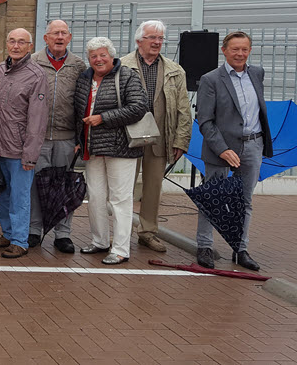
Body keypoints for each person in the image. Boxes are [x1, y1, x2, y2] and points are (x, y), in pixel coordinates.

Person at [194, 31, 272, 271]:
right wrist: (223, 149)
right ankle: (205, 246)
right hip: (222, 148)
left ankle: (240, 249)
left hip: (253, 144)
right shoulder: (210, 79)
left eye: (245, 49)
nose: (240, 54)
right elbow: (205, 120)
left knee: (244, 201)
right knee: (212, 198)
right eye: (235, 49)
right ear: (224, 50)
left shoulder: (256, 73)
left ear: (250, 51)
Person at [73, 37, 148, 265]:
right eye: (93, 56)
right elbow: (78, 112)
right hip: (93, 147)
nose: (98, 59)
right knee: (95, 196)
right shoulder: (85, 78)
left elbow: (138, 107)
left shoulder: (126, 76)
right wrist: (79, 139)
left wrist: (103, 118)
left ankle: (121, 248)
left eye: (102, 55)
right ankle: (100, 241)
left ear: (112, 56)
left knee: (120, 199)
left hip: (120, 148)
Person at [120, 20, 192, 254]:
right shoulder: (121, 66)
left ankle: (147, 232)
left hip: (161, 135)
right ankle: (120, 234)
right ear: (139, 41)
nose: (157, 42)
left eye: (161, 38)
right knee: (123, 188)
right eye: (152, 38)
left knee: (153, 188)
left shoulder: (174, 69)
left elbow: (184, 109)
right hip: (127, 135)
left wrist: (181, 141)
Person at [0, 28, 48, 259]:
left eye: (22, 42)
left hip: (20, 149)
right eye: (12, 41)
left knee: (20, 197)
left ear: (30, 46)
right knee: (3, 193)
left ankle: (20, 241)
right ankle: (8, 234)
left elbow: (37, 118)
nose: (16, 46)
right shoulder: (1, 69)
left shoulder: (36, 75)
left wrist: (30, 154)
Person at [27, 20, 87, 253]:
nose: (59, 37)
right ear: (46, 38)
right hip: (38, 137)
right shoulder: (33, 62)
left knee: (64, 186)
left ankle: (63, 234)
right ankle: (34, 230)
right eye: (55, 33)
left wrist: (80, 139)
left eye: (63, 33)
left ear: (69, 38)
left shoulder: (78, 66)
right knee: (36, 185)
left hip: (66, 137)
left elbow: (84, 103)